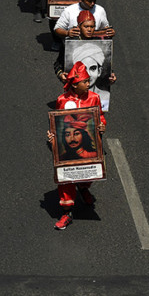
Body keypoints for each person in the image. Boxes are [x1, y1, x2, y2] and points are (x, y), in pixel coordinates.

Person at [47, 62, 107, 230]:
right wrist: (52, 135)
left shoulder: (94, 98)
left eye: (88, 81)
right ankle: (67, 213)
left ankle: (83, 187)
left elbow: (99, 117)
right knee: (66, 179)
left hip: (88, 147)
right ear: (75, 84)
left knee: (90, 172)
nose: (89, 84)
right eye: (85, 82)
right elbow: (56, 122)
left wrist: (102, 125)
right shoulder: (62, 100)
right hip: (66, 150)